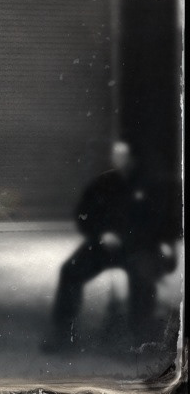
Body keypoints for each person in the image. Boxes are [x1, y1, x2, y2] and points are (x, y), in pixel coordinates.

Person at [45, 141, 182, 351]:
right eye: (116, 155)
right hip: (104, 246)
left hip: (140, 248)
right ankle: (62, 333)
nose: (119, 160)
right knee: (70, 270)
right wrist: (101, 234)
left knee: (143, 277)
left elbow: (163, 223)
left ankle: (142, 337)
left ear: (134, 158)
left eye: (124, 155)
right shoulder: (103, 183)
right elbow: (83, 214)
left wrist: (161, 245)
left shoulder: (153, 186)